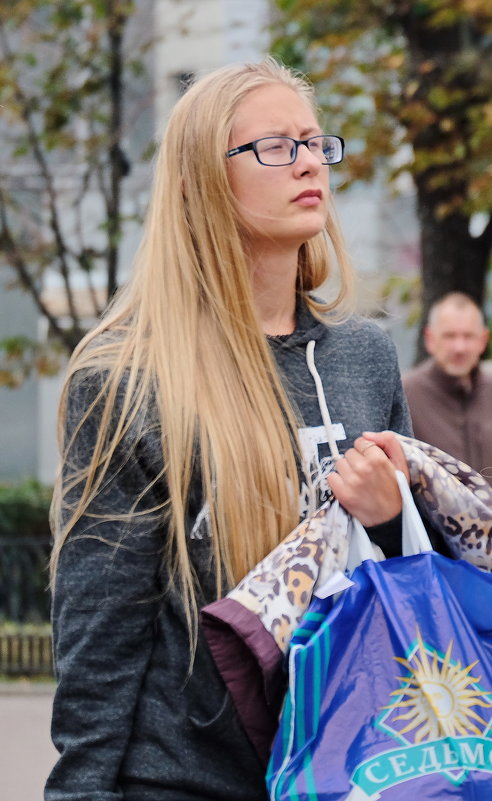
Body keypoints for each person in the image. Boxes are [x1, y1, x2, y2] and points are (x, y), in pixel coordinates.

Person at [47, 59, 412, 801]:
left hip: (353, 773)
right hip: (183, 777)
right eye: (276, 146)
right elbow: (101, 633)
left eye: (315, 142)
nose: (310, 162)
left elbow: (414, 584)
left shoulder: (364, 356)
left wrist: (397, 516)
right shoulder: (129, 377)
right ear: (200, 181)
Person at [403, 291, 492, 493]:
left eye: (468, 336)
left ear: (483, 340)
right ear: (430, 339)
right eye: (449, 336)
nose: (459, 347)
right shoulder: (407, 395)